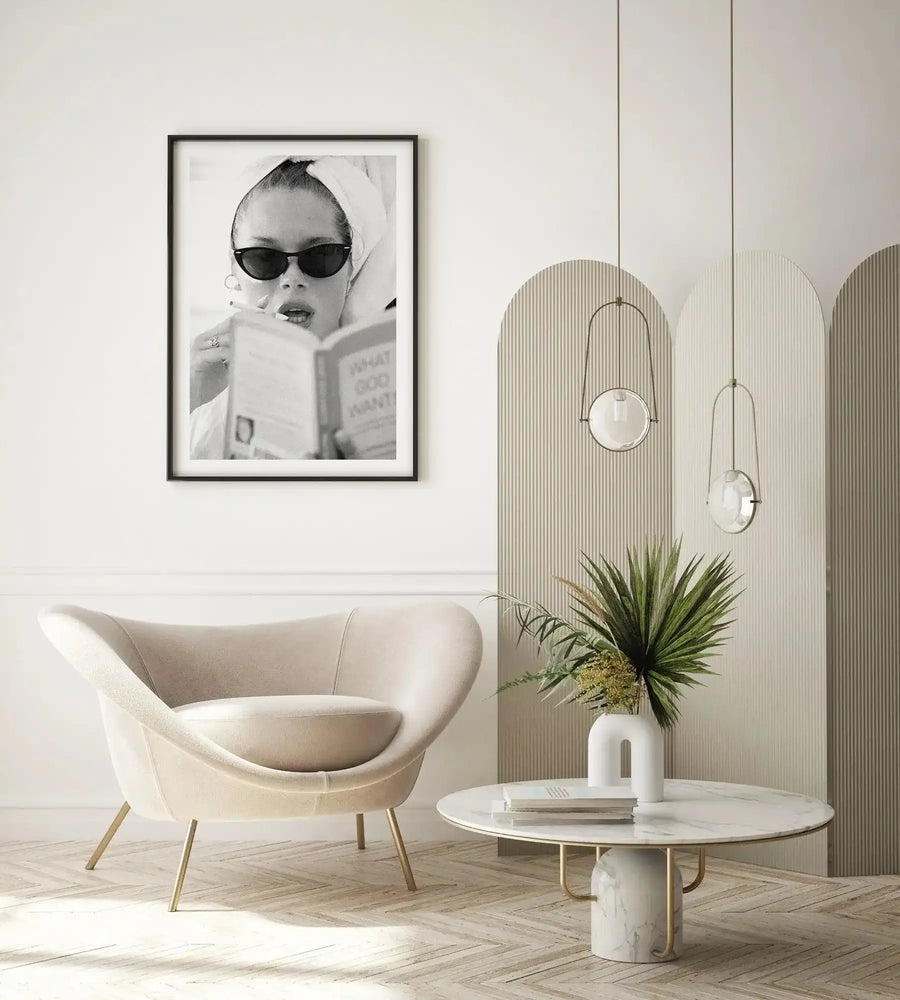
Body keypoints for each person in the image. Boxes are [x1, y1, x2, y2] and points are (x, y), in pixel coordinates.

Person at [189, 155, 396, 459]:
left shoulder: (404, 405)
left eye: (321, 255)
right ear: (235, 271)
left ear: (351, 267)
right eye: (263, 258)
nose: (292, 279)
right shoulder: (200, 416)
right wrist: (186, 399)